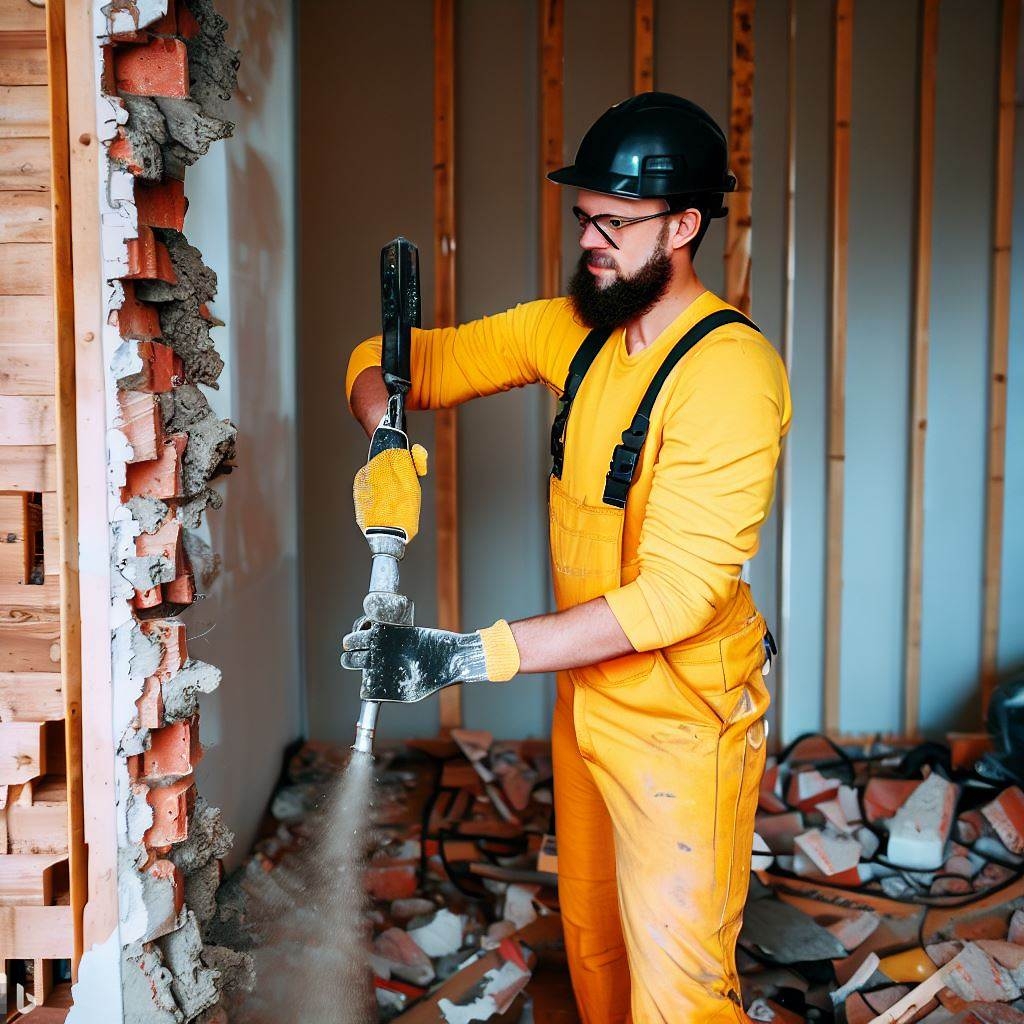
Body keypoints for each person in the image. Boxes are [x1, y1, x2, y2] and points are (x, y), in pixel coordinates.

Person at [343, 92, 792, 1024]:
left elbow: (676, 598)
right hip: (589, 697)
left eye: (616, 223)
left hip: (683, 717)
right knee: (593, 943)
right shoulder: (572, 327)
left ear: (684, 225)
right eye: (584, 214)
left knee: (680, 988)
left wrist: (464, 656)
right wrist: (384, 429)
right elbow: (395, 363)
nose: (591, 239)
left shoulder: (731, 377)